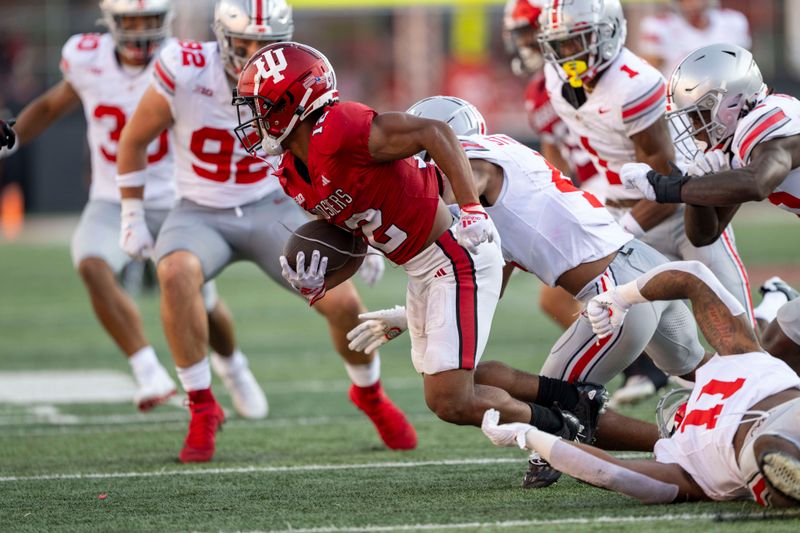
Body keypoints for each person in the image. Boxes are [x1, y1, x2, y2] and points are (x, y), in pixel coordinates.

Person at [234, 42, 609, 461]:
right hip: (421, 269)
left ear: (295, 100)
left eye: (261, 105)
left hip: (453, 256)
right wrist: (321, 281)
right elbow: (356, 236)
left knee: (452, 399)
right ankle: (572, 403)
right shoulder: (291, 172)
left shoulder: (338, 128)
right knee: (445, 399)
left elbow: (436, 131)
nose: (254, 118)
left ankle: (563, 424)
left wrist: (470, 210)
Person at [353, 95, 708, 487]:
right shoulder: (506, 159)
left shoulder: (475, 163)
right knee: (703, 371)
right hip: (645, 265)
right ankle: (765, 409)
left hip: (614, 293)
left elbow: (465, 181)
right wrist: (411, 314)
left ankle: (674, 445)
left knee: (561, 410)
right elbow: (483, 285)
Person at [116, 0, 413, 463]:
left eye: (268, 44)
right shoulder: (184, 66)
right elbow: (134, 139)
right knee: (174, 273)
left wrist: (360, 228)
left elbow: (331, 149)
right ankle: (202, 406)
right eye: (245, 42)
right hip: (200, 207)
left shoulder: (298, 74)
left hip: (273, 204)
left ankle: (369, 393)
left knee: (346, 304)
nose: (256, 54)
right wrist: (131, 213)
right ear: (221, 36)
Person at [0, 0, 263, 415]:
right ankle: (147, 371)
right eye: (131, 21)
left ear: (166, 21)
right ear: (111, 23)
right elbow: (52, 106)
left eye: (150, 20)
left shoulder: (183, 62)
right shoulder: (88, 59)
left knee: (203, 305)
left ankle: (233, 367)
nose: (141, 30)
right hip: (113, 199)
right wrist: (12, 136)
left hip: (179, 199)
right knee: (90, 262)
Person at [536, 0, 754, 403]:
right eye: (561, 45)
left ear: (608, 33)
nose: (570, 55)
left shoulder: (633, 84)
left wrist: (621, 236)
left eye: (579, 41)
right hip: (623, 204)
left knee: (736, 326)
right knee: (678, 353)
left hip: (681, 210)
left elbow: (667, 188)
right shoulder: (555, 79)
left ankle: (771, 389)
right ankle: (697, 399)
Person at [483, 259, 800, 508]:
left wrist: (531, 437)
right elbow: (692, 276)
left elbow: (614, 474)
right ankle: (777, 466)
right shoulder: (739, 359)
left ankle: (777, 466)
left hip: (773, 440)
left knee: (768, 452)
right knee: (767, 453)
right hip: (772, 441)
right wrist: (620, 297)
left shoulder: (679, 454)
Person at [504, 0, 665, 406]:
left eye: (528, 29)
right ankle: (645, 365)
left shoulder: (611, 76)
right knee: (559, 293)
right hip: (593, 192)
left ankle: (650, 365)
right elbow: (551, 149)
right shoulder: (546, 87)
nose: (523, 41)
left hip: (622, 187)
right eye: (521, 33)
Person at [621, 43, 800, 369]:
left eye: (698, 113)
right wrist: (694, 183)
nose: (691, 126)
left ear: (733, 102)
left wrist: (670, 188)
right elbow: (705, 234)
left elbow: (758, 183)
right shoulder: (736, 146)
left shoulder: (767, 120)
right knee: (776, 351)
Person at [639, 0, 750, 78]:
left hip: (728, 95)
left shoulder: (732, 21)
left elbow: (745, 66)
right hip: (681, 100)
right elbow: (651, 73)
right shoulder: (660, 26)